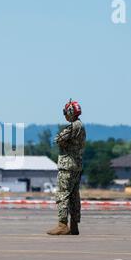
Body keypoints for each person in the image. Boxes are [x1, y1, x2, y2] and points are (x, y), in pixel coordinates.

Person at [47, 99, 86, 235]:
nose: (64, 115)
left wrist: (61, 140)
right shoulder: (81, 126)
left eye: (65, 112)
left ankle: (62, 225)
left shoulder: (73, 127)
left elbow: (58, 139)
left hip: (67, 166)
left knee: (63, 194)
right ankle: (74, 225)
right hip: (77, 165)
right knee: (74, 196)